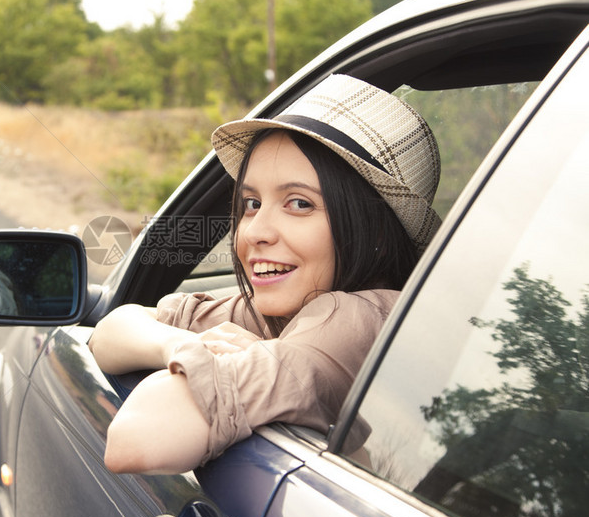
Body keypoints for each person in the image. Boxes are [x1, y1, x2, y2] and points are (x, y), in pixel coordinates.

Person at [88, 74, 441, 475]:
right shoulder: (286, 305)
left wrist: (203, 356)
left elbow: (134, 441)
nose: (254, 231)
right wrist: (173, 343)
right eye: (252, 202)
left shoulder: (358, 317)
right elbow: (110, 330)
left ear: (374, 227)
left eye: (299, 203)